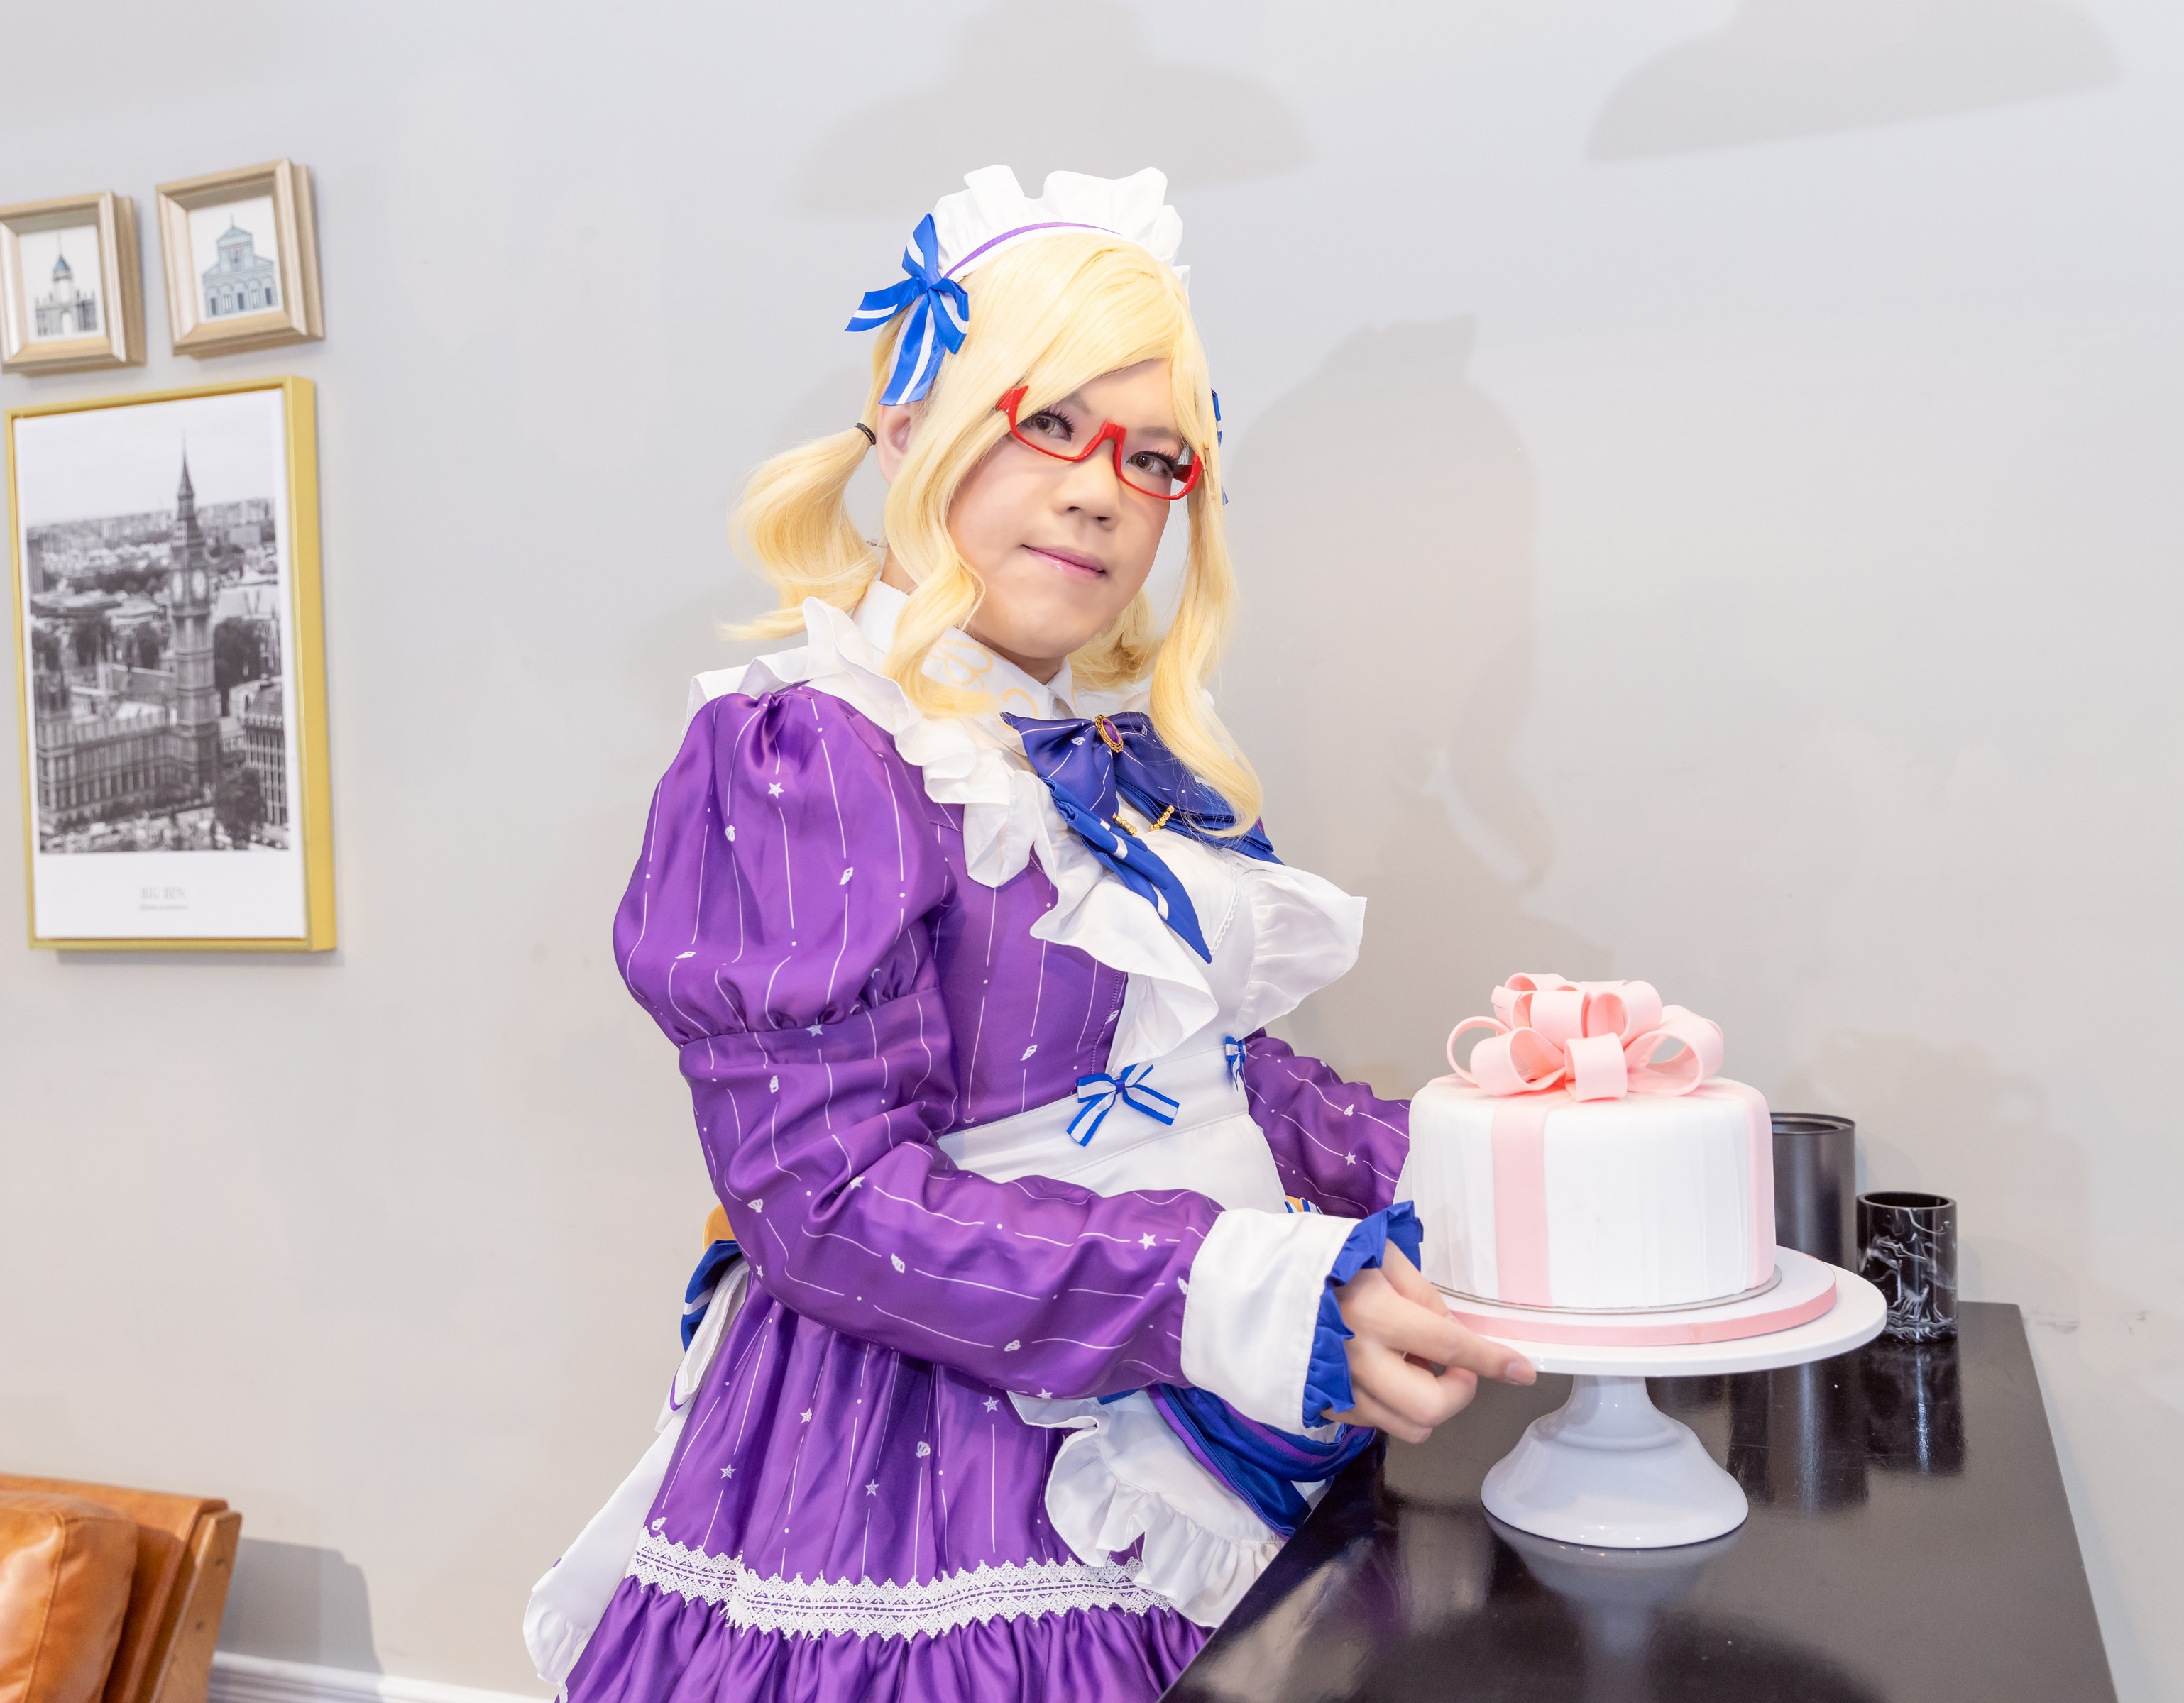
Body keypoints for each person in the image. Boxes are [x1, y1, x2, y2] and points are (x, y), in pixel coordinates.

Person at [527, 165, 1532, 1703]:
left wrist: (1498, 1155)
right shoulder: (811, 752)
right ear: (910, 429)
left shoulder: (1103, 759)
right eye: (1049, 422)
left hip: (1176, 1385)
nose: (1102, 491)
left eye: (1153, 458)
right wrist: (1227, 1293)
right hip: (915, 1475)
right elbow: (826, 1203)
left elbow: (1213, 1086)